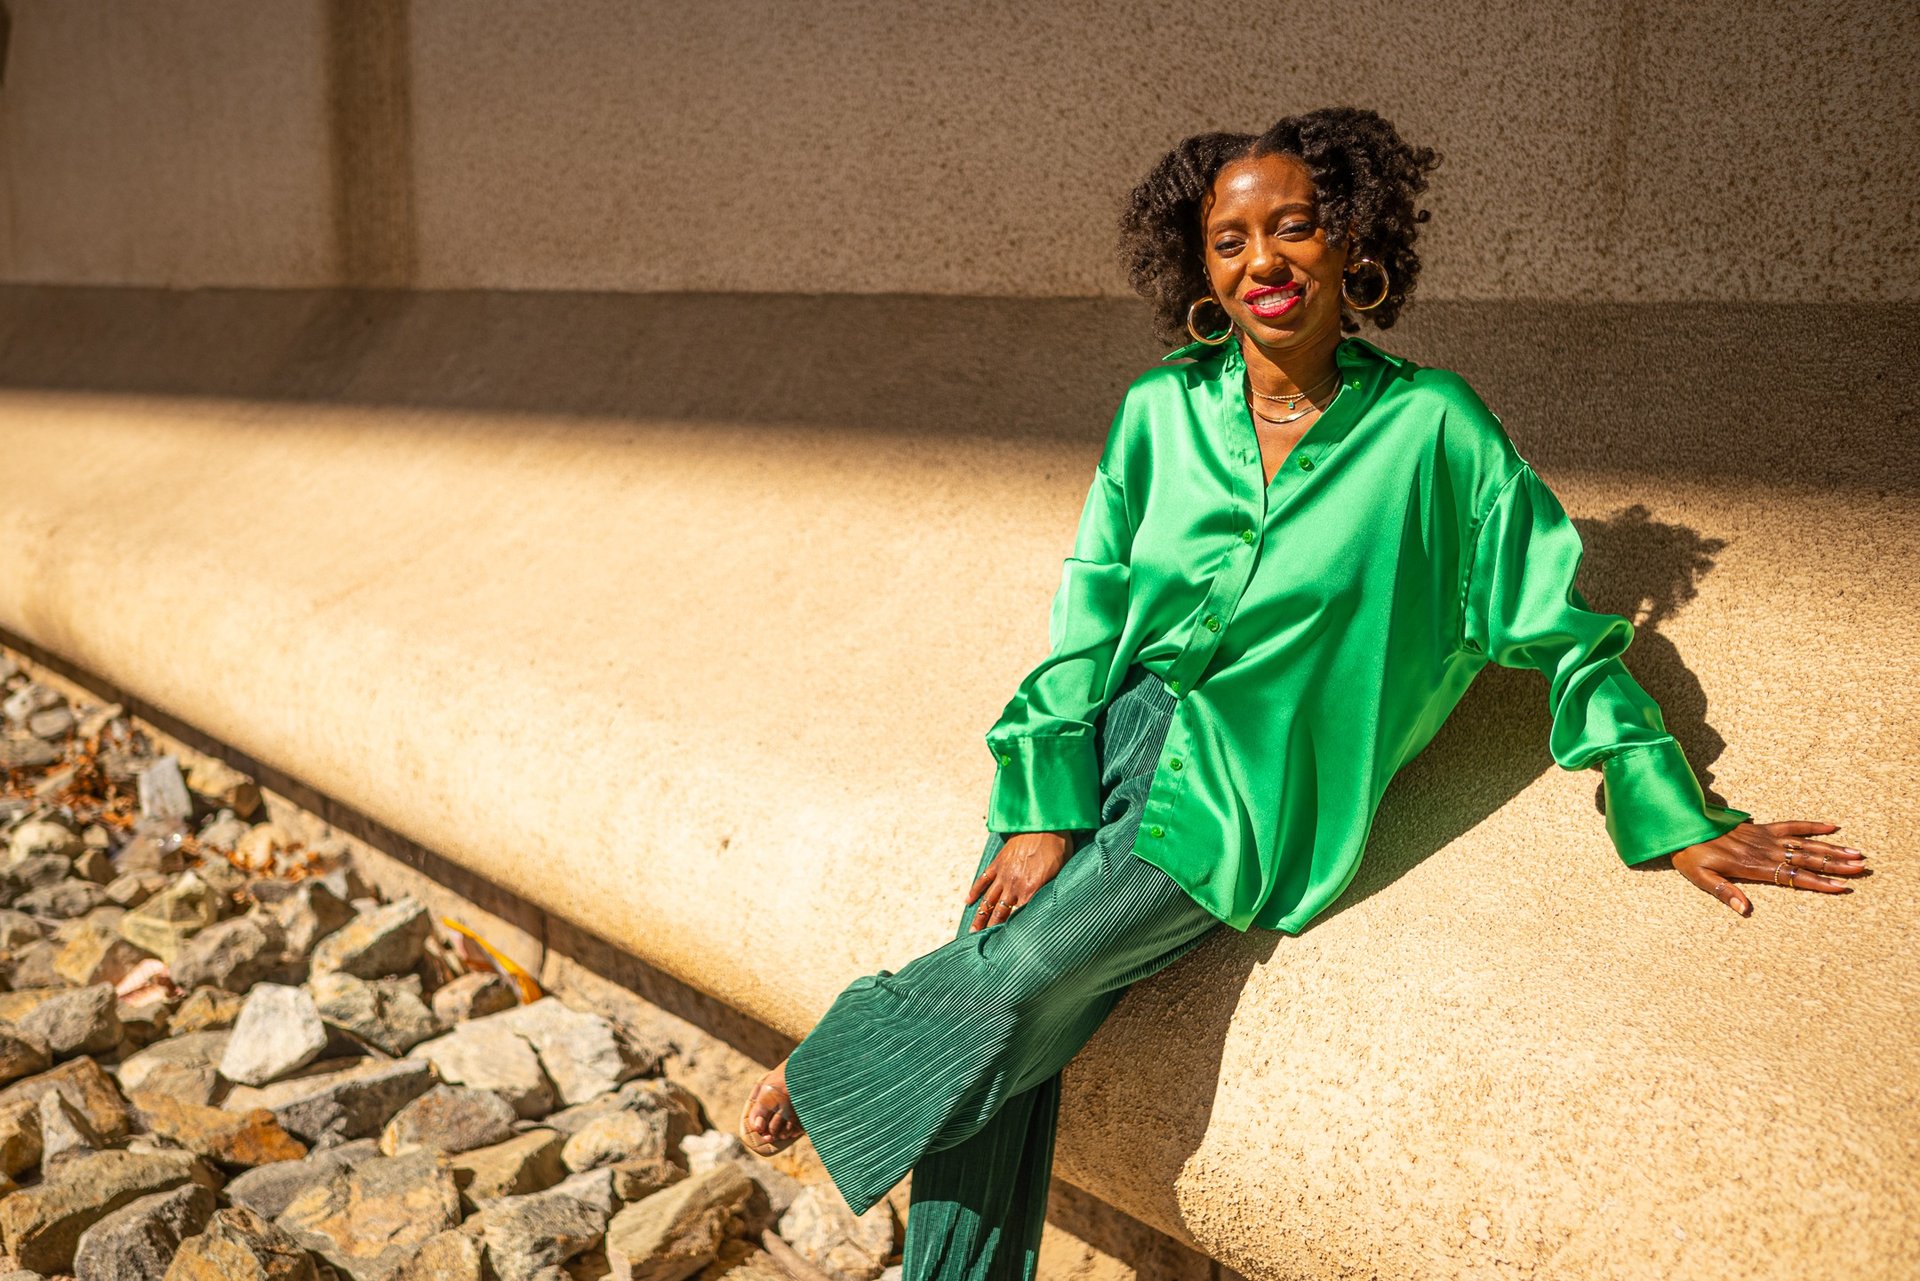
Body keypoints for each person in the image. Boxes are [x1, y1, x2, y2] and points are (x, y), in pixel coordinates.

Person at [736, 106, 1866, 1280]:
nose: (1262, 262)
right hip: (1099, 744)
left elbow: (1562, 634)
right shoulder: (1158, 413)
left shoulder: (1437, 432)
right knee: (1008, 1074)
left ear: (1353, 241)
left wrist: (1670, 813)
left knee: (1019, 982)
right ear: (1198, 269)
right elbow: (1089, 617)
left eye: (1295, 228)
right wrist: (1038, 800)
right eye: (1230, 243)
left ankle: (823, 1070)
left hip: (1243, 795)